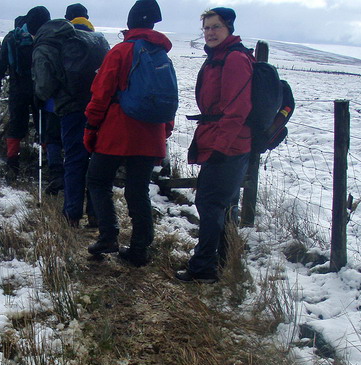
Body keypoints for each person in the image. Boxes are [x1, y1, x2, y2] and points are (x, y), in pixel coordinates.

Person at [84, 0, 174, 266]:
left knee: (98, 181)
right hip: (151, 134)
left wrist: (91, 127)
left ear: (130, 23)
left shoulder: (121, 52)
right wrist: (164, 132)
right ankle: (139, 249)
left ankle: (108, 235)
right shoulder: (162, 56)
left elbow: (100, 95)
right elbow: (169, 99)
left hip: (117, 132)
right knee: (138, 191)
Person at [175, 7, 255, 283]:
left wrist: (221, 146)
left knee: (209, 203)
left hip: (228, 144)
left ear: (229, 28)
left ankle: (204, 268)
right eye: (207, 28)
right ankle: (220, 262)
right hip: (222, 140)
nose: (210, 32)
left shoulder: (233, 59)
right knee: (219, 204)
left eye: (216, 27)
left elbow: (238, 109)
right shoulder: (220, 57)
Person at [31, 4, 108, 227]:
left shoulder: (46, 43)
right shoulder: (87, 38)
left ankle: (71, 215)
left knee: (75, 159)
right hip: (98, 106)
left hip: (71, 109)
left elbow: (44, 87)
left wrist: (40, 97)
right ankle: (96, 215)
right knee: (95, 159)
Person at [0, 15, 37, 177]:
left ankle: (12, 166)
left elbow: (0, 66)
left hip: (18, 89)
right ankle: (48, 165)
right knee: (43, 124)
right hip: (39, 88)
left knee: (15, 126)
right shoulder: (39, 37)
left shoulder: (11, 38)